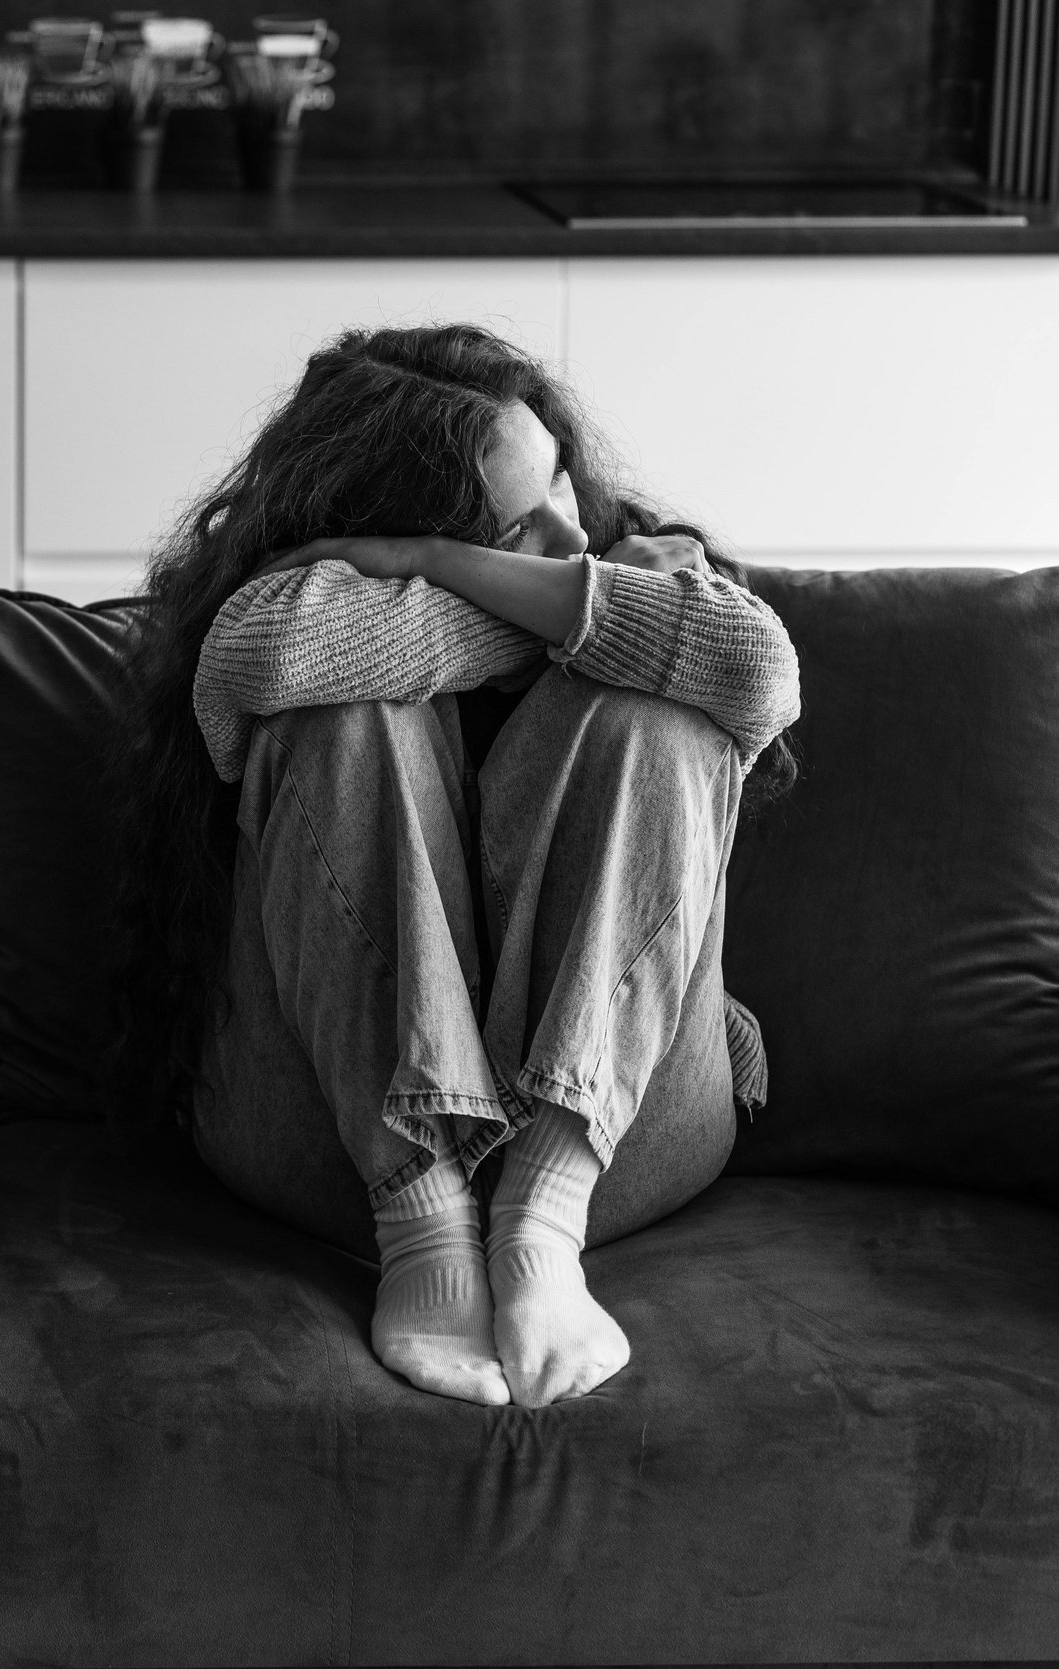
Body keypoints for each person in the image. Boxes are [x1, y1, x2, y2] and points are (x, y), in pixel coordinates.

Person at [111, 322, 800, 1410]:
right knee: (338, 712)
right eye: (512, 527)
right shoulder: (308, 605)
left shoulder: (643, 557)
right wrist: (569, 611)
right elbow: (268, 657)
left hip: (618, 1141)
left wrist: (434, 565)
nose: (572, 532)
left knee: (660, 718)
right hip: (332, 1145)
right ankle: (424, 1219)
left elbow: (757, 671)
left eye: (559, 481)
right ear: (371, 527)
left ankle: (540, 1217)